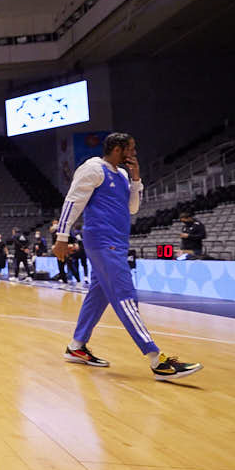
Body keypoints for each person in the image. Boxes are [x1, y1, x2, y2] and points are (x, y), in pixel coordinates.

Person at [55, 133, 202, 380]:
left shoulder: (122, 175)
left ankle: (76, 346)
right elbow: (73, 201)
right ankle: (157, 360)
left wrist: (136, 180)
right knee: (125, 297)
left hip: (117, 242)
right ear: (116, 148)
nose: (134, 152)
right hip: (102, 241)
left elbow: (132, 208)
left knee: (98, 296)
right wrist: (62, 236)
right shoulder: (92, 168)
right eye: (130, 148)